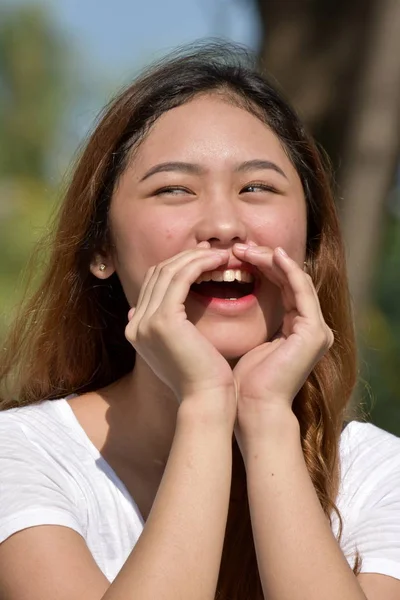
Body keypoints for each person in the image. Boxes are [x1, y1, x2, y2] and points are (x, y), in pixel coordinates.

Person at [0, 42, 399, 600]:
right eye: (174, 189)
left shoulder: (378, 475)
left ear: (309, 245)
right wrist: (207, 407)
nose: (223, 225)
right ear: (101, 250)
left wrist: (265, 422)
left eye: (256, 187)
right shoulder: (20, 455)